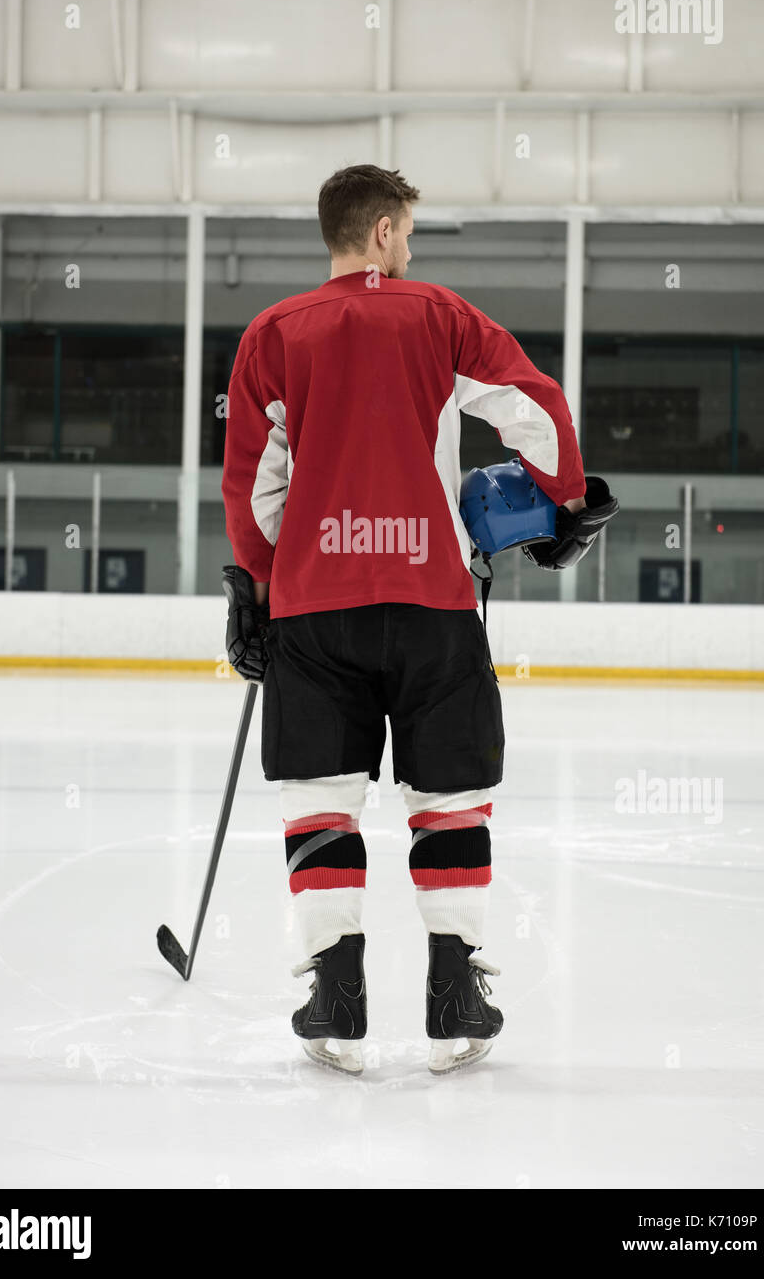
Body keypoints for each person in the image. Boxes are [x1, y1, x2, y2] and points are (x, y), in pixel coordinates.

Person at [221, 164, 587, 1075]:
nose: (411, 247)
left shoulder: (272, 334)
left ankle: (335, 998)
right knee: (449, 796)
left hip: (316, 608)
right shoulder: (441, 317)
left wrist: (261, 586)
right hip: (433, 604)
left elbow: (252, 487)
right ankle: (455, 991)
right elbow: (532, 407)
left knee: (319, 797)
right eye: (410, 231)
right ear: (384, 230)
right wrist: (563, 500)